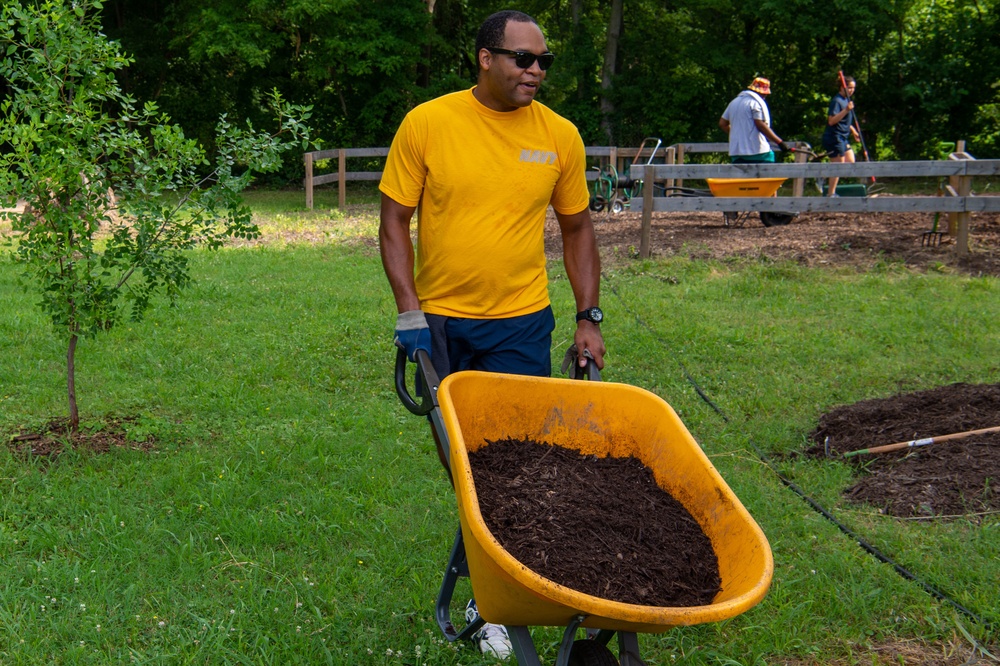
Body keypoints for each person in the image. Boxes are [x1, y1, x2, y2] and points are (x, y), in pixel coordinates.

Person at [378, 9, 606, 660]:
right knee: (466, 466)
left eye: (544, 62)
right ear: (485, 58)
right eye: (523, 59)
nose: (536, 71)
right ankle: (495, 581)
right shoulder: (429, 123)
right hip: (442, 324)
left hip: (521, 322)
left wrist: (589, 318)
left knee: (519, 463)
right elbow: (394, 220)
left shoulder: (559, 136)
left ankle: (496, 597)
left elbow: (579, 230)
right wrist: (408, 311)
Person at [719, 77, 793, 163]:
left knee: (741, 176)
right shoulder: (755, 103)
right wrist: (780, 143)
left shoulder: (733, 102)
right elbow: (760, 125)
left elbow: (722, 123)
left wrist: (740, 135)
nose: (765, 97)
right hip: (756, 152)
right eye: (764, 94)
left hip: (736, 153)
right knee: (769, 157)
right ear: (759, 92)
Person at [821, 75, 861, 196]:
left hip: (843, 138)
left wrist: (853, 131)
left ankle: (826, 177)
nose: (851, 90)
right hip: (834, 137)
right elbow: (832, 121)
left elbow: (844, 121)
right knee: (839, 165)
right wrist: (846, 110)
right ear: (842, 87)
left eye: (853, 88)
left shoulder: (846, 100)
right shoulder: (837, 101)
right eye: (849, 88)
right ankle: (830, 194)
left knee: (850, 161)